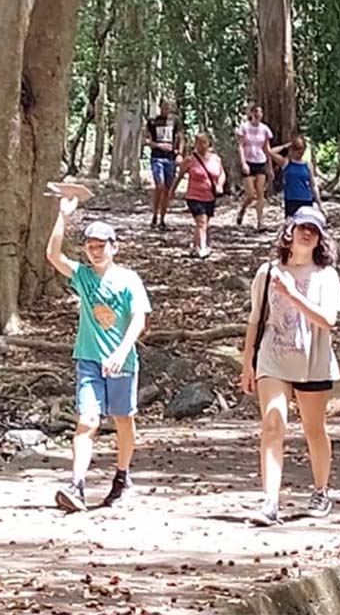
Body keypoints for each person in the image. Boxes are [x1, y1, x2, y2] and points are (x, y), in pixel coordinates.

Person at [240, 206, 340, 526]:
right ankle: (270, 500)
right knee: (273, 422)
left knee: (314, 429)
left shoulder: (325, 275)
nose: (307, 233)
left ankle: (321, 490)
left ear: (320, 240)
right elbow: (256, 319)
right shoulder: (267, 272)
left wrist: (292, 294)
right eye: (302, 227)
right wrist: (248, 362)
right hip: (273, 358)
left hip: (314, 362)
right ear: (289, 231)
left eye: (314, 230)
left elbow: (328, 321)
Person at [46, 197, 152, 512]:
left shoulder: (129, 280)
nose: (96, 250)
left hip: (122, 364)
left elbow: (139, 319)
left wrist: (121, 352)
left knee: (123, 420)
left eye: (101, 245)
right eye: (91, 245)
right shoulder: (82, 276)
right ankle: (76, 485)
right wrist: (63, 216)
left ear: (114, 247)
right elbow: (53, 255)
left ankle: (122, 476)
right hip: (89, 360)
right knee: (88, 421)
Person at [171, 131, 226, 258]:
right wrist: (172, 191)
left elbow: (222, 174)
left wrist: (220, 185)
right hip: (194, 196)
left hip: (210, 195)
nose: (201, 145)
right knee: (201, 220)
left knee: (204, 222)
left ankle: (196, 246)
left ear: (208, 143)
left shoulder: (216, 159)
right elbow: (179, 176)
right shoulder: (190, 160)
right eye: (198, 142)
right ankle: (202, 248)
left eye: (204, 142)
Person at [145, 98, 185, 231]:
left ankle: (162, 218)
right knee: (160, 186)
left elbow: (181, 138)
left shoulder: (175, 121)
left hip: (171, 159)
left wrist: (179, 153)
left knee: (168, 189)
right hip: (157, 157)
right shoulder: (153, 121)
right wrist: (158, 145)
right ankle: (154, 214)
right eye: (165, 106)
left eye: (169, 107)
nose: (167, 109)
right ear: (160, 107)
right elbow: (146, 140)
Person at [235, 103, 275, 231]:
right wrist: (243, 163)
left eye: (260, 113)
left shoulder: (265, 129)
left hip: (260, 161)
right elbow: (240, 146)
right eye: (256, 112)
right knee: (251, 194)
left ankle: (260, 222)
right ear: (251, 114)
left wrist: (270, 167)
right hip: (248, 162)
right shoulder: (244, 128)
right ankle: (242, 210)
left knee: (260, 193)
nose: (258, 115)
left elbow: (267, 149)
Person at [270, 136, 322, 218]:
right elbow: (271, 152)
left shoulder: (308, 165)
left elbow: (313, 185)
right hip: (291, 200)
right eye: (297, 150)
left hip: (306, 199)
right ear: (292, 150)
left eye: (302, 150)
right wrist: (286, 146)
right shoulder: (286, 163)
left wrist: (319, 203)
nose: (300, 153)